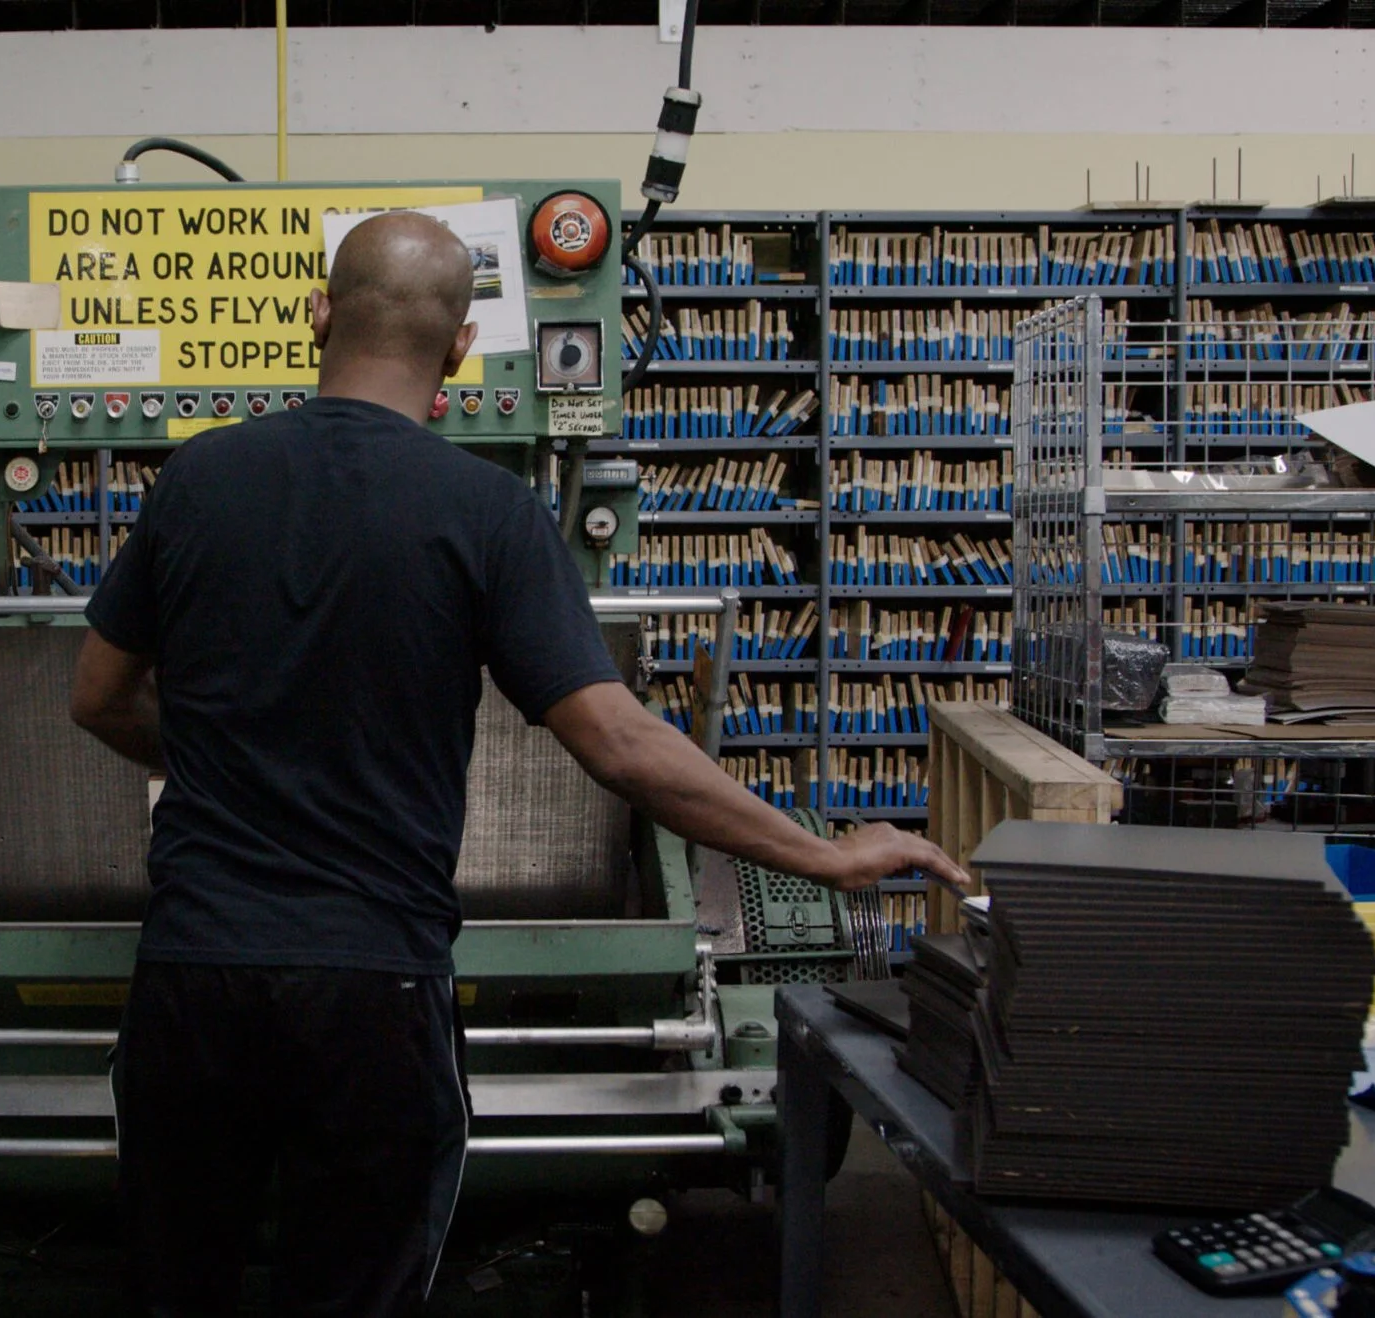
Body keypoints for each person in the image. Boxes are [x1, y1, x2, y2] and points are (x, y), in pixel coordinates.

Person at [69, 211, 971, 1317]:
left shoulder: (196, 482)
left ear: (315, 315)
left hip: (191, 979)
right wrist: (822, 855)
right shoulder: (486, 512)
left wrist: (223, 747)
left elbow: (95, 695)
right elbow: (620, 741)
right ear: (459, 350)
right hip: (371, 994)